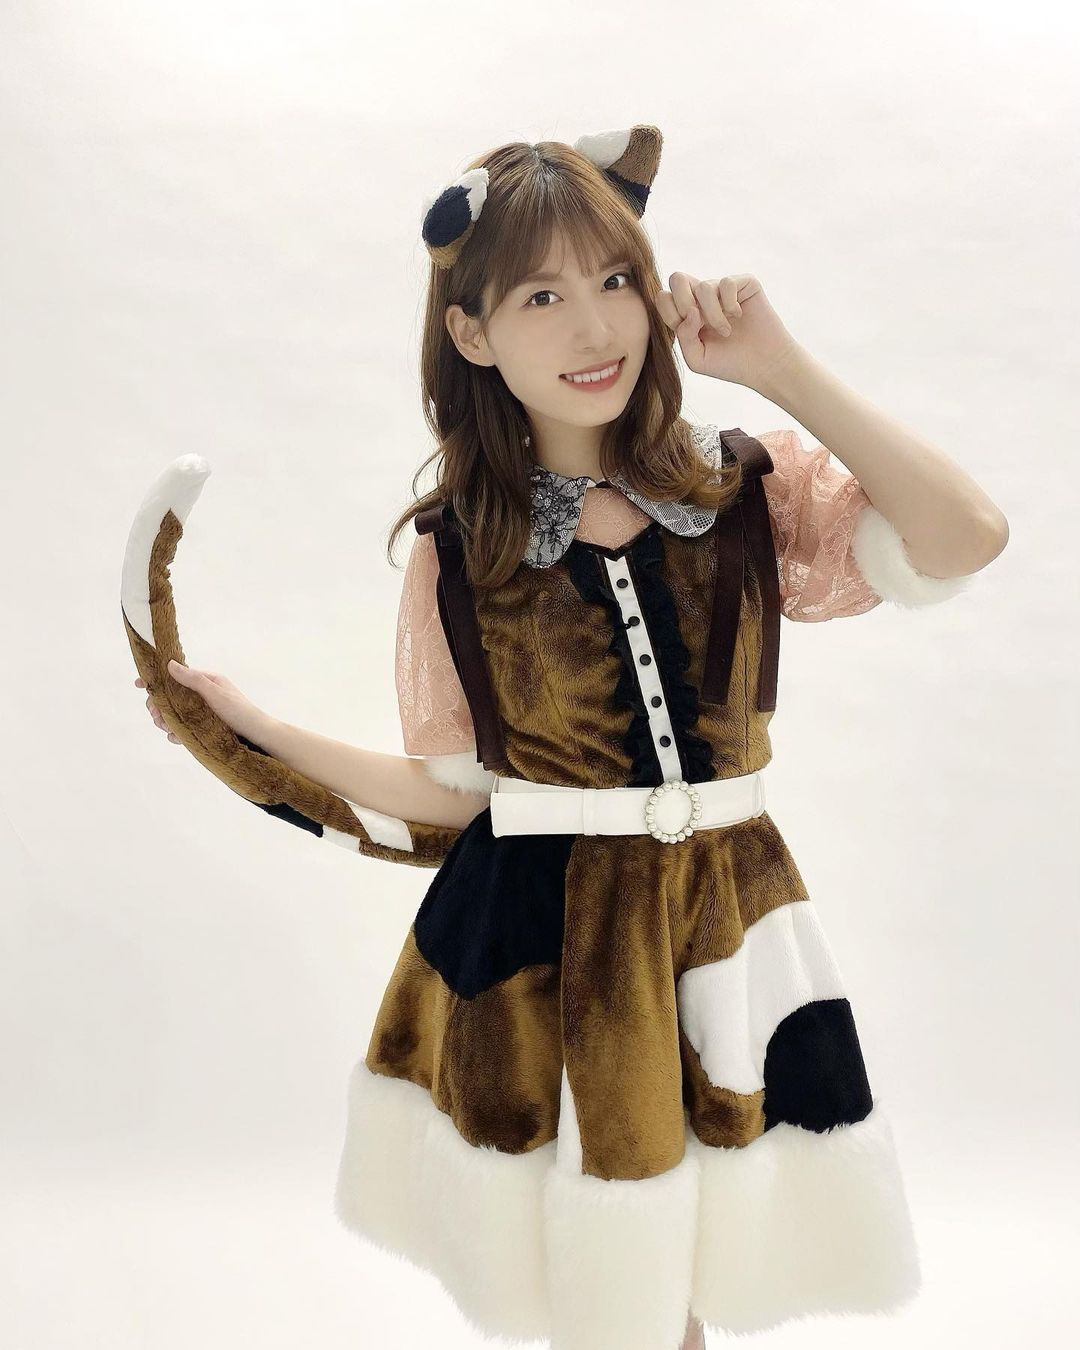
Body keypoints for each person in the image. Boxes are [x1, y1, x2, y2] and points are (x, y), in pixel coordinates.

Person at [130, 125, 1008, 1350]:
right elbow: (456, 797)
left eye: (615, 280)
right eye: (541, 296)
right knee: (607, 1273)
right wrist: (259, 727)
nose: (595, 329)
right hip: (553, 940)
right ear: (472, 333)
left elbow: (966, 536)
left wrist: (782, 371)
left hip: (727, 916)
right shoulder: (459, 550)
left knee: (690, 1259)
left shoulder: (738, 489)